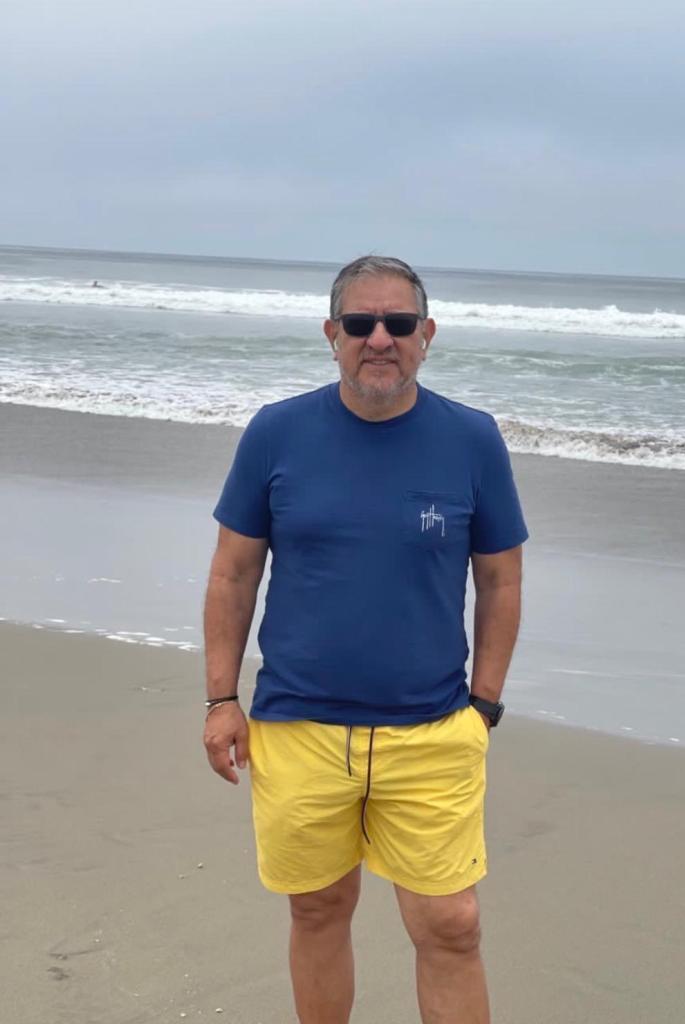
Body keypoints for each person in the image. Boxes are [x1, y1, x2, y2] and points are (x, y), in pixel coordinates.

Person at [203, 255, 527, 1024]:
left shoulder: (471, 439)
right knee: (317, 908)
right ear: (332, 334)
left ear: (426, 334)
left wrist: (483, 706)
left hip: (432, 729)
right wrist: (220, 699)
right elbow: (233, 574)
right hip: (297, 727)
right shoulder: (276, 432)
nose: (379, 338)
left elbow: (501, 581)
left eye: (398, 323)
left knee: (451, 924)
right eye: (360, 323)